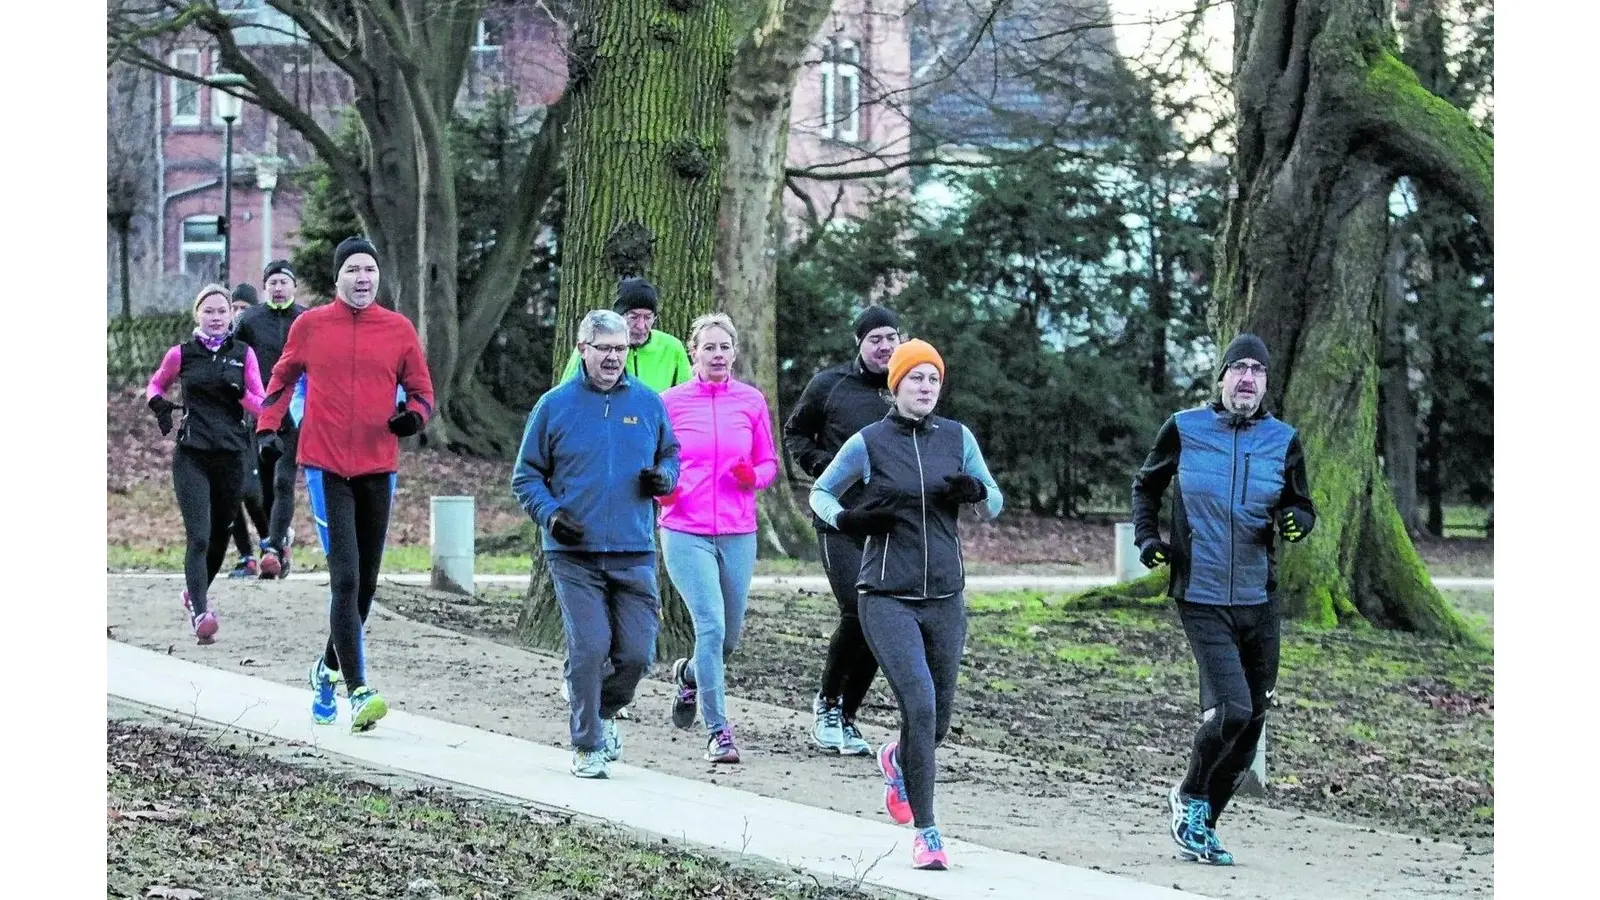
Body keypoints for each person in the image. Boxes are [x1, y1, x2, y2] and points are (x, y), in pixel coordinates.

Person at [809, 338, 1002, 871]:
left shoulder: (958, 438)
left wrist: (975, 492)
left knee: (935, 722)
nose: (924, 388)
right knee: (917, 706)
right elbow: (819, 494)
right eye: (914, 379)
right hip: (886, 597)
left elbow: (995, 504)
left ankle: (898, 757)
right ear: (895, 387)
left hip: (945, 596)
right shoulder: (868, 442)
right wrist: (848, 520)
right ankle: (928, 831)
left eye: (933, 379)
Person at [1130, 333, 1316, 866]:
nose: (1248, 379)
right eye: (1239, 368)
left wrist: (1296, 523)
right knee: (1232, 708)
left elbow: (1303, 506)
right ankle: (1189, 794)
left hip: (1259, 599)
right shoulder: (1185, 428)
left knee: (1253, 721)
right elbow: (1146, 486)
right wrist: (1148, 538)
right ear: (1222, 377)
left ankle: (1202, 825)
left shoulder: (1284, 440)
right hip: (1202, 593)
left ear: (1265, 384)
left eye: (1258, 371)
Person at [256, 237, 435, 734]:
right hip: (326, 466)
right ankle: (359, 689)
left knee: (368, 582)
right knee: (347, 577)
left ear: (378, 278)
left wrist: (413, 418)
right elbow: (282, 377)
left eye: (369, 270)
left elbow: (422, 391)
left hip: (379, 466)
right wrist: (268, 428)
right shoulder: (310, 326)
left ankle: (326, 669)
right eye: (353, 269)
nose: (362, 278)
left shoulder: (397, 329)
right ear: (336, 278)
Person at [512, 309, 681, 779]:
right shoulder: (554, 405)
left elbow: (671, 453)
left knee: (637, 655)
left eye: (620, 348)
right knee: (589, 647)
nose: (612, 357)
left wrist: (663, 476)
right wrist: (551, 515)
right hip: (573, 553)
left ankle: (600, 710)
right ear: (582, 348)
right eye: (603, 347)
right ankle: (586, 743)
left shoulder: (648, 403)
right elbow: (526, 476)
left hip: (634, 548)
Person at [658, 313, 779, 763]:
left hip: (738, 531)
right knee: (709, 625)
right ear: (693, 353)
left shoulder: (751, 402)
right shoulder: (669, 403)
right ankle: (719, 731)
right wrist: (666, 490)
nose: (717, 355)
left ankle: (689, 676)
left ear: (734, 352)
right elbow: (653, 463)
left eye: (724, 347)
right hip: (685, 530)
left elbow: (769, 463)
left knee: (727, 639)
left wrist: (754, 476)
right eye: (708, 347)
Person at [782, 305, 903, 755]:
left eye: (891, 337)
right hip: (838, 518)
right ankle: (827, 704)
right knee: (858, 608)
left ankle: (847, 715)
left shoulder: (907, 385)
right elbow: (795, 434)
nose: (884, 347)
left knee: (881, 617)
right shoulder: (829, 385)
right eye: (875, 339)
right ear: (859, 343)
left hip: (888, 524)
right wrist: (823, 467)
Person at [146, 284, 267, 644]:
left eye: (222, 311)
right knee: (198, 536)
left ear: (232, 316)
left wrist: (242, 395)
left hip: (231, 456)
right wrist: (159, 404)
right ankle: (201, 612)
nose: (215, 318)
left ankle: (194, 592)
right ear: (197, 314)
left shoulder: (243, 354)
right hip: (192, 454)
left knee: (220, 536)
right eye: (209, 311)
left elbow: (263, 404)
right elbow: (156, 384)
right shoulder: (181, 354)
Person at [234, 258, 306, 579]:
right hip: (259, 415)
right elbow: (233, 357)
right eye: (272, 283)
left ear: (293, 286)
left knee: (283, 480)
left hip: (293, 414)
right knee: (264, 488)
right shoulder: (250, 319)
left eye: (283, 282)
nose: (278, 288)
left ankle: (273, 547)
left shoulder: (306, 319)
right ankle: (280, 541)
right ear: (265, 288)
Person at [558, 277, 691, 393]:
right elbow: (566, 391)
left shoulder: (672, 347)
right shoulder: (593, 344)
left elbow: (686, 396)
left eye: (648, 317)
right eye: (633, 317)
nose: (640, 325)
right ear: (619, 317)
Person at [225, 284, 272, 578]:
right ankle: (246, 556)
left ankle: (271, 546)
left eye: (245, 309)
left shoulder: (255, 347)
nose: (239, 314)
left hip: (254, 426)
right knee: (228, 495)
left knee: (253, 493)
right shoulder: (219, 344)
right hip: (222, 429)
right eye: (235, 308)